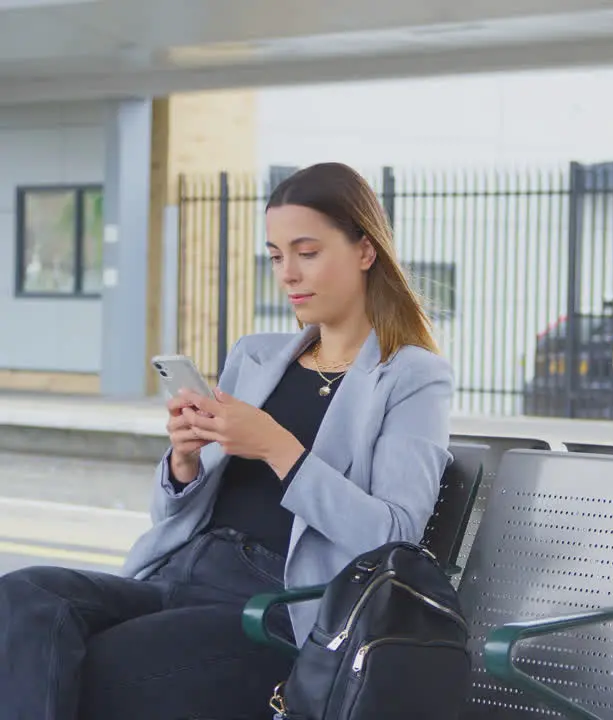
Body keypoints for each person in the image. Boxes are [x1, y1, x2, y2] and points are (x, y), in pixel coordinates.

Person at [0, 162, 454, 720]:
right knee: (22, 597)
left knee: (88, 666)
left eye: (306, 253)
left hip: (273, 605)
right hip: (182, 570)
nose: (287, 274)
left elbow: (394, 536)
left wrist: (278, 449)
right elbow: (171, 513)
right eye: (276, 255)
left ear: (365, 251)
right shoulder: (256, 355)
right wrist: (185, 463)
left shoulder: (411, 375)